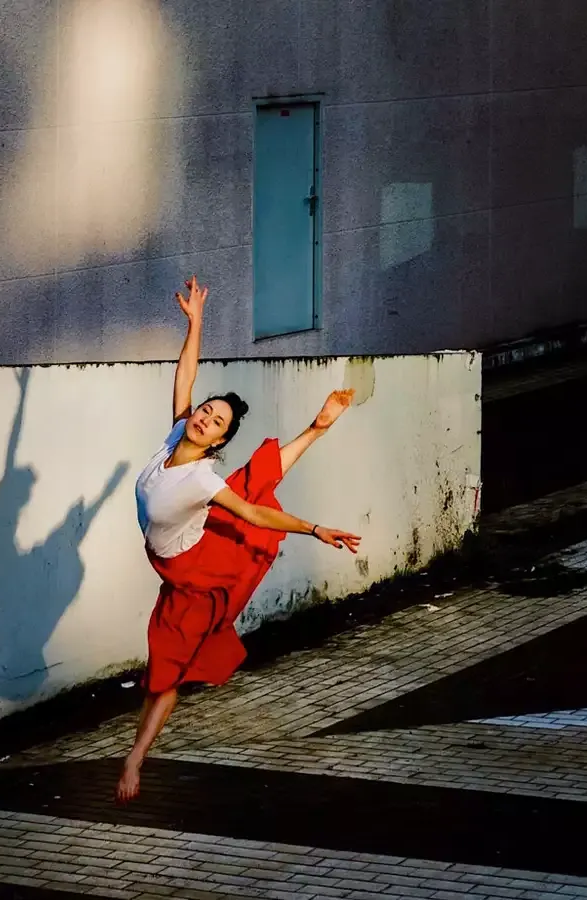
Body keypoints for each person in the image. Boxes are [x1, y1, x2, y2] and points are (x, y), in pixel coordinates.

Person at [118, 275, 361, 803]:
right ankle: (316, 427)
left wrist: (316, 529)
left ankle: (136, 758)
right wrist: (196, 322)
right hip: (170, 563)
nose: (205, 417)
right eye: (206, 410)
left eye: (216, 422)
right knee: (251, 483)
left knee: (168, 672)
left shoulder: (203, 477)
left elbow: (251, 509)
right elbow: (184, 379)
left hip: (196, 572)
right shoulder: (174, 436)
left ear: (220, 440)